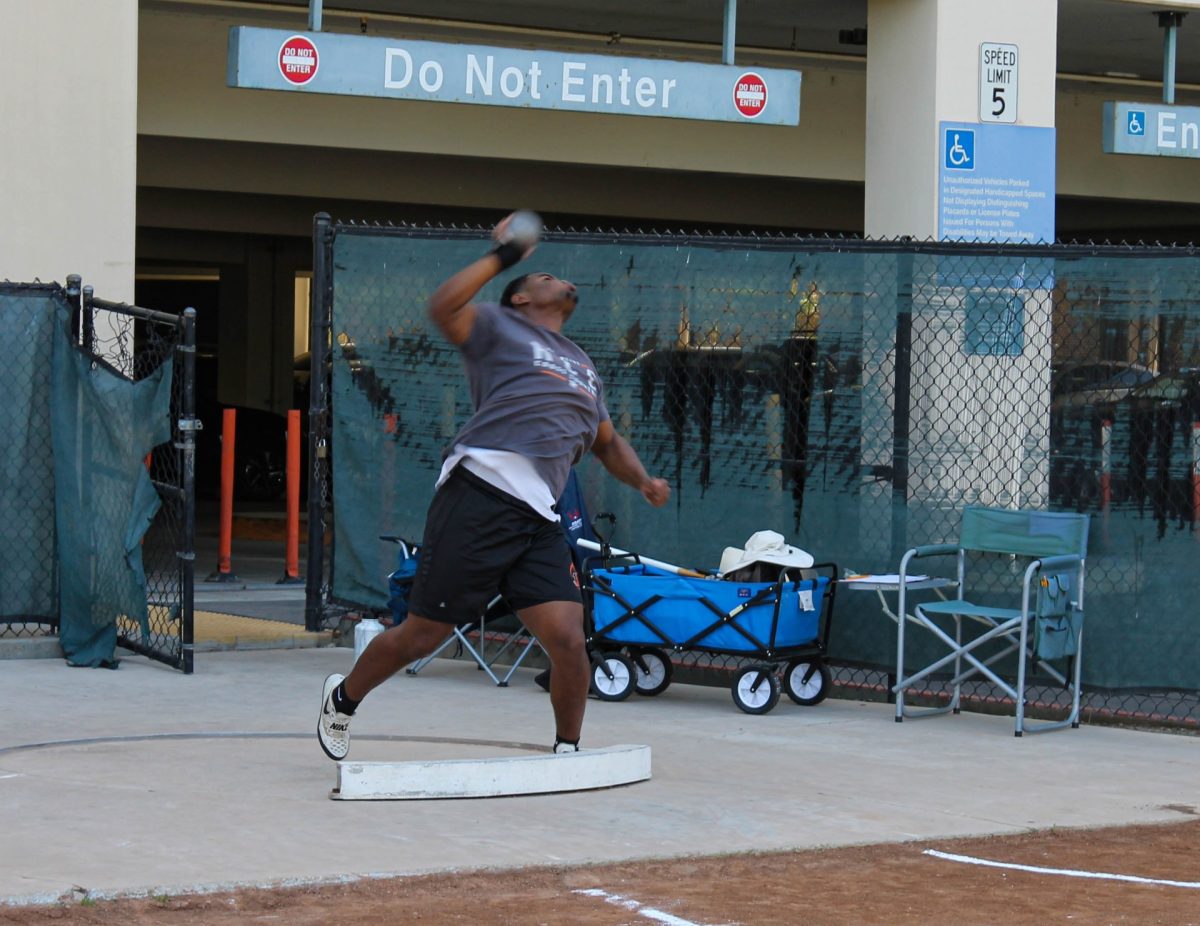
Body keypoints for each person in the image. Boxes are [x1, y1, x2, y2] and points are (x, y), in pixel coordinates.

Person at [318, 212, 670, 760]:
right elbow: (442, 308)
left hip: (538, 518)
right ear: (522, 300)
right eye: (545, 277)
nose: (559, 281)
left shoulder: (582, 364)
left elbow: (606, 443)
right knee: (422, 635)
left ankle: (567, 752)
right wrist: (505, 256)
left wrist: (643, 479)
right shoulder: (498, 327)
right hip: (480, 493)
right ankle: (342, 700)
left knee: (570, 641)